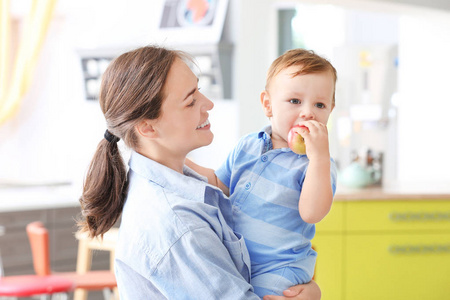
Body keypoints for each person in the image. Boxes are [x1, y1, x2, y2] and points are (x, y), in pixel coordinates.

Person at [77, 45, 322, 300]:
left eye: (199, 90)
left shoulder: (175, 184)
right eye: (191, 100)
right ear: (148, 128)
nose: (208, 104)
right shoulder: (179, 226)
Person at [186, 48, 338, 297]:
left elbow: (312, 213)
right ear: (268, 104)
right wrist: (179, 162)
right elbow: (217, 182)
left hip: (280, 268)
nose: (308, 112)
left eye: (319, 105)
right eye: (295, 101)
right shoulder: (248, 145)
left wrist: (319, 157)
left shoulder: (317, 164)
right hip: (236, 261)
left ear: (330, 110)